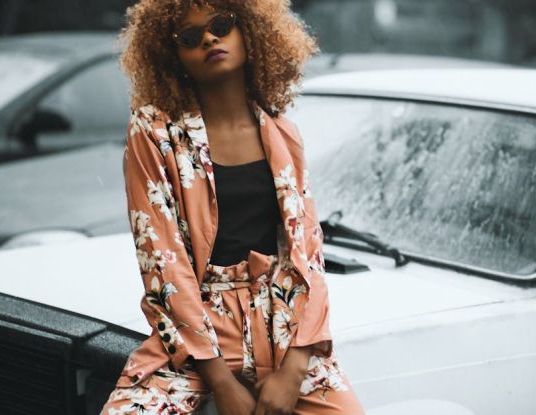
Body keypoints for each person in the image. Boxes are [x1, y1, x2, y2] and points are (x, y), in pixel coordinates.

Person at [100, 0, 365, 414]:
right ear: (174, 57)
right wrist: (221, 381)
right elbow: (162, 262)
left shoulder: (282, 134)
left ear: (251, 32)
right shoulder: (153, 133)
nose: (209, 38)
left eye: (222, 24)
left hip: (284, 328)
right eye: (190, 37)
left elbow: (308, 257)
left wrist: (294, 370)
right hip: (197, 334)